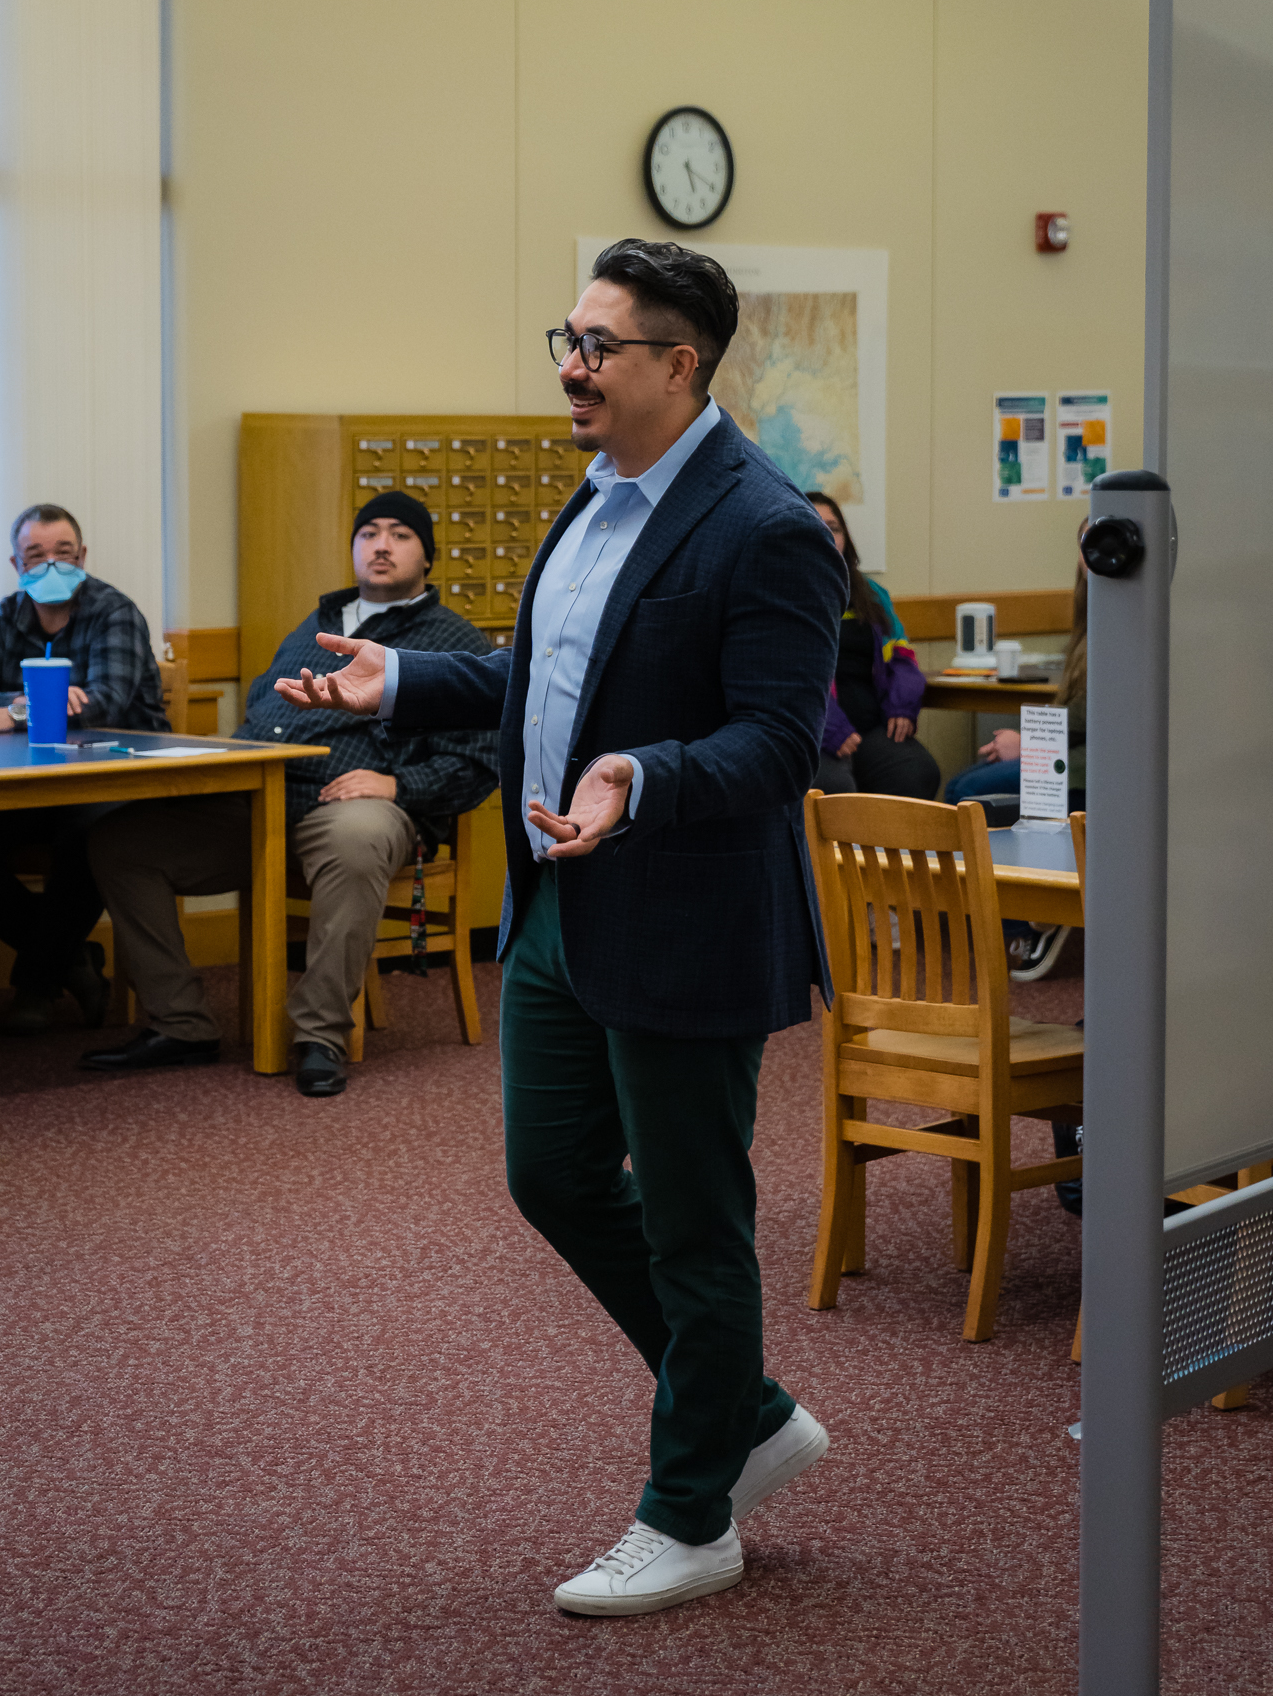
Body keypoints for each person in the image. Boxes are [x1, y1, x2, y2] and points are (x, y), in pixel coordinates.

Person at [276, 240, 846, 1616]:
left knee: (698, 1225)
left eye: (598, 343)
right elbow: (545, 676)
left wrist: (641, 778)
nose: (570, 366)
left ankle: (692, 1508)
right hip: (556, 906)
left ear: (679, 362)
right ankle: (749, 1412)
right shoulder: (592, 500)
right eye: (566, 337)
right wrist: (396, 677)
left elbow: (777, 745)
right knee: (554, 1176)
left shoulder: (763, 524)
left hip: (684, 910)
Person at [79, 492, 499, 1097]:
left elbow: (482, 758)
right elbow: (264, 704)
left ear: (427, 557)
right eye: (369, 533)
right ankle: (182, 1024)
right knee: (122, 844)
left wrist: (399, 784)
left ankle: (319, 1035)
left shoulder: (452, 639)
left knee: (358, 842)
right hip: (262, 790)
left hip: (353, 801)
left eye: (400, 535)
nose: (381, 545)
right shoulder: (318, 622)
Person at [0, 502, 166, 1034]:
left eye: (63, 553)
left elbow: (104, 702)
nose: (51, 565)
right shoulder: (3, 616)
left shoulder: (114, 612)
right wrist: (31, 703)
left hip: (117, 779)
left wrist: (8, 709)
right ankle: (75, 964)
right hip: (32, 784)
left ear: (82, 557)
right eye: (36, 555)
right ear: (17, 565)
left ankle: (37, 984)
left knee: (89, 837)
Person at [807, 491, 939, 801]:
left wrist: (902, 706)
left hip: (870, 727)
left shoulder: (872, 594)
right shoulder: (780, 591)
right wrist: (829, 727)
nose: (827, 535)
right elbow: (787, 679)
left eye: (834, 527)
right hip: (816, 734)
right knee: (836, 790)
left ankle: (893, 852)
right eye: (815, 525)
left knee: (916, 771)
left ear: (846, 537)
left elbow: (903, 660)